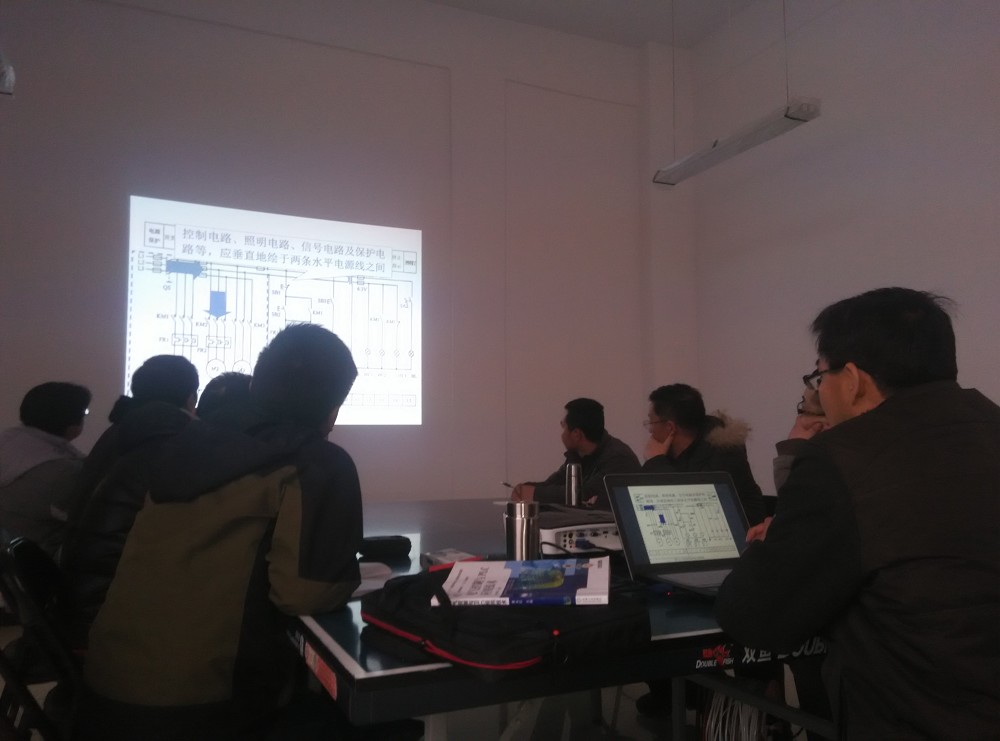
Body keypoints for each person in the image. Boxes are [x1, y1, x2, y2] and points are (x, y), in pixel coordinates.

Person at [716, 287, 1000, 738]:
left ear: (852, 379)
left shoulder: (842, 458)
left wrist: (775, 541)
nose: (820, 392)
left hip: (918, 719)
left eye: (819, 377)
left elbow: (753, 617)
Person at [78, 323, 364, 741]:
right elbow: (304, 594)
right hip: (208, 709)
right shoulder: (316, 463)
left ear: (255, 383)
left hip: (106, 694)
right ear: (333, 408)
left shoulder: (182, 443)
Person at [61, 355, 200, 646]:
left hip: (80, 593)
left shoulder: (123, 431)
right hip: (109, 613)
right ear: (191, 399)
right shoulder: (168, 441)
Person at [641, 383, 766, 526]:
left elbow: (687, 512)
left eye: (651, 422)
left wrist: (656, 462)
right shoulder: (672, 455)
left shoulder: (723, 457)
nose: (650, 430)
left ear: (670, 427)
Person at [0, 382, 91, 557]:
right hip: (32, 561)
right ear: (72, 421)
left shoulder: (8, 440)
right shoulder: (64, 471)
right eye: (84, 413)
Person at [511, 398, 640, 509]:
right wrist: (523, 488)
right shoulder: (578, 455)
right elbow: (553, 483)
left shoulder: (619, 459)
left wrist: (535, 494)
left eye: (563, 427)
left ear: (576, 434)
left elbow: (583, 494)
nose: (562, 434)